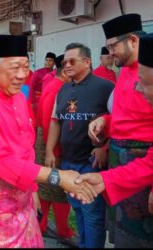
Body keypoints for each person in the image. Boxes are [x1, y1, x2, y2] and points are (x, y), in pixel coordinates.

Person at [0, 35, 97, 248]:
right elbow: (1, 161)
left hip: (21, 191)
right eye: (15, 68)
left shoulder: (17, 97)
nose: (23, 75)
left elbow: (25, 146)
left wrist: (32, 189)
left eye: (26, 66)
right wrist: (58, 177)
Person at [83, 14, 153, 247]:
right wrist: (104, 121)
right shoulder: (125, 72)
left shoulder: (146, 71)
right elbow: (126, 116)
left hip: (141, 160)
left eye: (113, 46)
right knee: (121, 234)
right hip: (121, 161)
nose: (110, 52)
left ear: (133, 41)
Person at [45, 42, 114, 248]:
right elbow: (56, 120)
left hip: (91, 164)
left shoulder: (105, 87)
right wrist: (49, 150)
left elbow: (119, 120)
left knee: (93, 215)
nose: (66, 65)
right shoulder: (64, 89)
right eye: (65, 62)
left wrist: (105, 147)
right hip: (68, 162)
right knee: (77, 209)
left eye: (72, 61)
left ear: (87, 62)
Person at [34, 54, 77, 247]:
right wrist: (54, 150)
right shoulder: (58, 89)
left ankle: (42, 225)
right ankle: (62, 230)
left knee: (48, 188)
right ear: (65, 71)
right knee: (59, 189)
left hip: (48, 144)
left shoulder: (55, 85)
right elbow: (48, 121)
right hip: (51, 145)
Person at [29, 51, 56, 119]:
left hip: (49, 100)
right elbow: (31, 87)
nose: (47, 62)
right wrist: (32, 102)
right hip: (38, 100)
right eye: (46, 60)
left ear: (54, 63)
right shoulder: (37, 73)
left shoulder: (55, 73)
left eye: (50, 60)